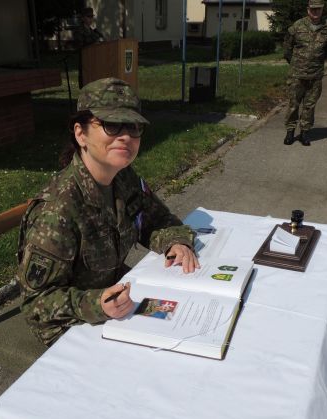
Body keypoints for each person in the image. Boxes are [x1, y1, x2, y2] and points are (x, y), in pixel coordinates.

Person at [17, 77, 200, 346]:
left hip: (119, 299)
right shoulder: (58, 210)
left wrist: (176, 242)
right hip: (72, 325)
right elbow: (36, 303)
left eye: (133, 127)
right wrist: (97, 304)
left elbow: (155, 219)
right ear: (81, 134)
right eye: (111, 125)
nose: (125, 136)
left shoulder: (123, 177)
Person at [282, 0, 327, 146]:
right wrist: (296, 64)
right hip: (297, 75)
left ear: (322, 10)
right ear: (308, 9)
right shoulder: (297, 26)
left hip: (315, 75)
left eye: (318, 9)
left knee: (309, 106)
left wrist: (316, 62)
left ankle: (305, 132)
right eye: (313, 9)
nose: (315, 12)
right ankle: (290, 132)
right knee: (293, 104)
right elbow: (287, 48)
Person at [73, 7, 104, 88]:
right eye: (88, 16)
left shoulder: (93, 31)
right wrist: (93, 43)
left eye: (92, 17)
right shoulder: (78, 30)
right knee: (85, 85)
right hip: (85, 62)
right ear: (83, 18)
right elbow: (80, 45)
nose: (91, 19)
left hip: (94, 62)